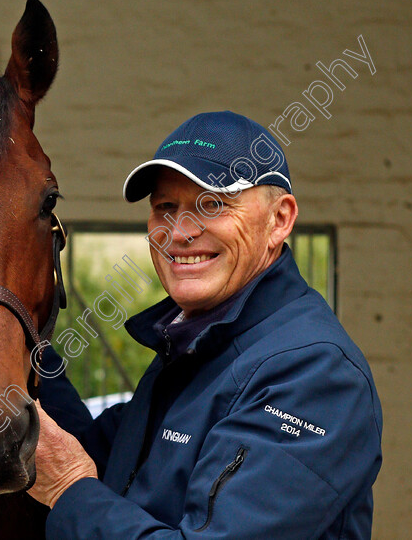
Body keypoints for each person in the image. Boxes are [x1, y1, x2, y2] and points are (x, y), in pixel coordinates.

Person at [28, 111, 383, 538]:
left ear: (280, 220)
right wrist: (10, 337)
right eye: (165, 207)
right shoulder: (196, 347)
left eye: (212, 204)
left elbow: (74, 475)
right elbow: (95, 456)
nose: (180, 232)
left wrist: (69, 490)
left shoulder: (315, 374)